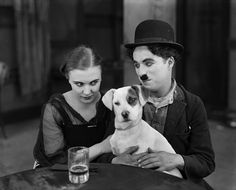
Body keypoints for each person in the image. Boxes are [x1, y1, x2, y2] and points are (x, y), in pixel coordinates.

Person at [101, 20, 215, 188]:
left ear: (170, 62)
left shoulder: (192, 104)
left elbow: (206, 162)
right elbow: (104, 150)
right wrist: (115, 159)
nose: (141, 73)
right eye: (137, 65)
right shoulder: (123, 100)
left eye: (148, 63)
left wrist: (176, 159)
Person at [33, 45, 113, 167]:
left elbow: (113, 150)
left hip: (101, 169)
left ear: (101, 76)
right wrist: (100, 148)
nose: (87, 92)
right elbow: (57, 161)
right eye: (79, 84)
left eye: (94, 82)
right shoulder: (54, 109)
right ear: (67, 77)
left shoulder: (111, 104)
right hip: (61, 172)